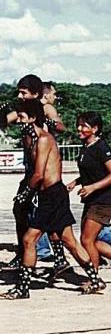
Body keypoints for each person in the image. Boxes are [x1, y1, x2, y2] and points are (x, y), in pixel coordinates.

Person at [1, 100, 104, 299]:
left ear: (32, 118)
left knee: (29, 240)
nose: (19, 121)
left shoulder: (44, 139)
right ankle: (95, 279)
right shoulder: (33, 139)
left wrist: (25, 195)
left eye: (22, 117)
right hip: (52, 195)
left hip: (51, 196)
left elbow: (39, 174)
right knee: (69, 240)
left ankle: (23, 288)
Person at [1, 74, 69, 276]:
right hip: (30, 171)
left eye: (24, 92)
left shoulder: (45, 108)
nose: (20, 96)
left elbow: (61, 126)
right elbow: (5, 120)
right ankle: (25, 254)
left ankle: (58, 258)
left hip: (43, 172)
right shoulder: (22, 109)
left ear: (36, 93)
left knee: (47, 216)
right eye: (19, 91)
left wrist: (46, 120)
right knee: (21, 210)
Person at [66, 112, 111, 282]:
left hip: (103, 200)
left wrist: (92, 187)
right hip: (91, 199)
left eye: (84, 126)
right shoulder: (85, 146)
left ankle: (94, 277)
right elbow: (94, 172)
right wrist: (76, 182)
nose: (79, 129)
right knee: (91, 240)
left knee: (86, 239)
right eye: (79, 125)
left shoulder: (101, 147)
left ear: (95, 129)